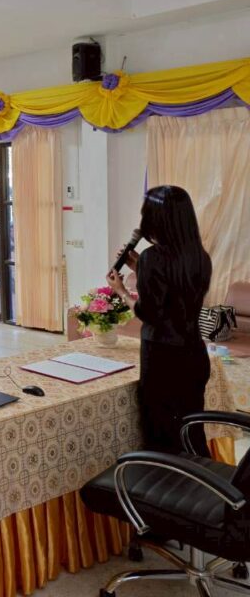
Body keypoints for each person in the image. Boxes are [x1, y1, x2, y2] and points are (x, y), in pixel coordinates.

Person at [106, 185, 213, 455]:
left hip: (162, 359)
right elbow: (176, 292)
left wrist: (121, 290)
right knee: (190, 431)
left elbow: (148, 313)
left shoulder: (153, 258)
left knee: (161, 435)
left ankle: (162, 480)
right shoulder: (200, 256)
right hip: (194, 354)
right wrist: (140, 267)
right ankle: (199, 478)